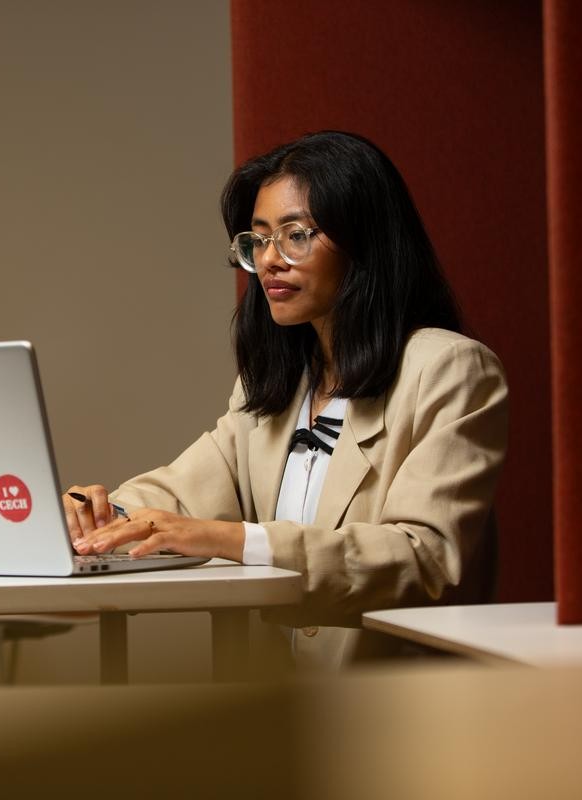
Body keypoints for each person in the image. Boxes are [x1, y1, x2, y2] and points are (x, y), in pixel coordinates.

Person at [63, 131, 508, 666]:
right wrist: (97, 515)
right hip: (279, 713)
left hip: (401, 708)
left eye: (295, 235)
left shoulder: (450, 369)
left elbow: (425, 558)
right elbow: (180, 495)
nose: (270, 260)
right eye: (258, 240)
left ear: (365, 240)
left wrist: (232, 539)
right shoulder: (275, 385)